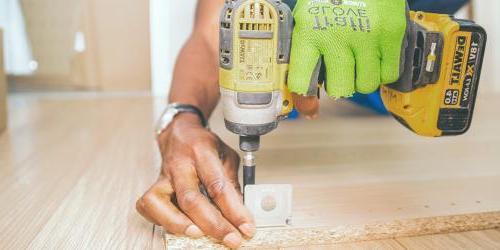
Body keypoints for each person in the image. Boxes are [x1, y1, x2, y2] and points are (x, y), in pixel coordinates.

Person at [136, 0, 469, 248]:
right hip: (294, 56)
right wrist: (182, 117)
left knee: (387, 96)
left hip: (394, 50)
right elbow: (213, 36)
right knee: (285, 97)